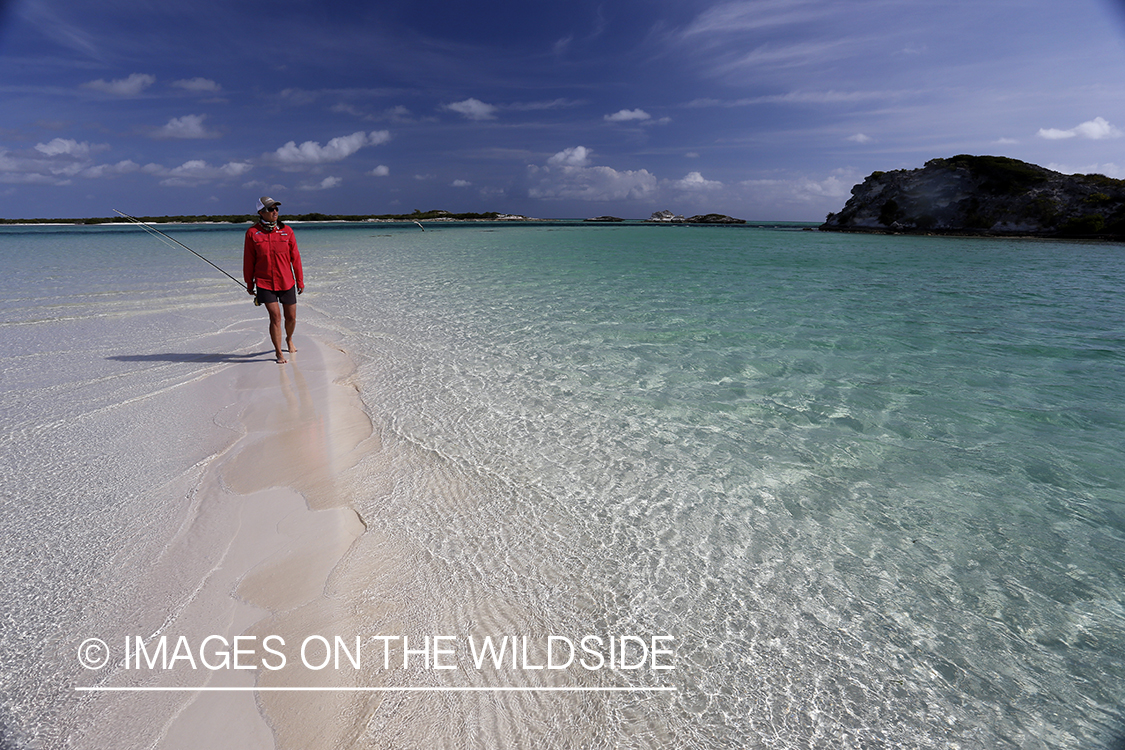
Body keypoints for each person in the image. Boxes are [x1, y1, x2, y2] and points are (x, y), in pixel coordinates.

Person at [244, 196, 304, 363]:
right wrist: (249, 283)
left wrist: (300, 280)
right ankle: (279, 353)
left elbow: (296, 258)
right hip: (264, 282)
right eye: (271, 209)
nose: (275, 212)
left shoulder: (287, 231)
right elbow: (248, 260)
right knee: (275, 317)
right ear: (261, 212)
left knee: (291, 317)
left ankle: (289, 339)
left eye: (276, 208)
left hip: (287, 281)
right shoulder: (252, 233)